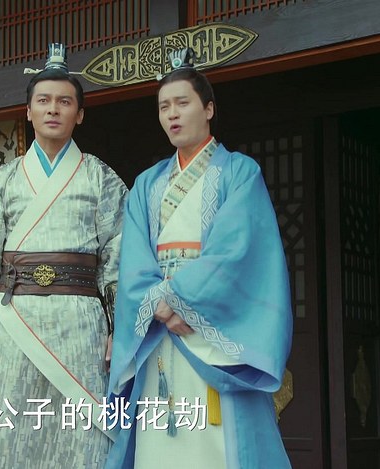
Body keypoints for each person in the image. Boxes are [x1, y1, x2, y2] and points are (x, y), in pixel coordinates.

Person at [106, 48, 293, 469]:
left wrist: (182, 300)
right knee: (158, 436)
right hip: (158, 328)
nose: (172, 114)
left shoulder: (239, 173)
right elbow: (132, 260)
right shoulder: (146, 184)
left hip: (207, 327)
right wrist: (159, 304)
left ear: (208, 109)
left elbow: (237, 251)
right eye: (163, 107)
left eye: (182, 103)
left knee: (216, 444)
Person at [0, 43, 127, 468]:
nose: (53, 109)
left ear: (79, 114)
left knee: (82, 430)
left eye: (64, 102)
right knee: (9, 429)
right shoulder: (3, 180)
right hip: (15, 321)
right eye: (44, 100)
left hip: (80, 323)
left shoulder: (101, 178)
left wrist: (120, 331)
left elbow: (117, 259)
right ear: (28, 111)